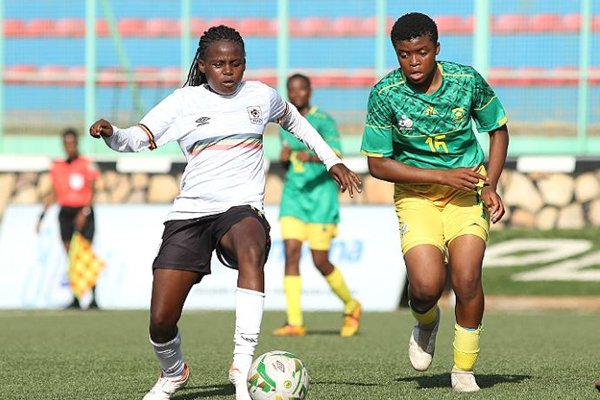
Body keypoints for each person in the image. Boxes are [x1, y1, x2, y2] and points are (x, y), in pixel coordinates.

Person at [89, 25, 361, 400]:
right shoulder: (184, 102)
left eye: (235, 63)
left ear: (244, 64)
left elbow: (298, 123)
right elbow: (137, 138)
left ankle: (241, 366)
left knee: (251, 245)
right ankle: (173, 373)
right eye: (218, 64)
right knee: (161, 321)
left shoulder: (261, 96)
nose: (228, 71)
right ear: (203, 66)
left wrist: (331, 160)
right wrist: (111, 133)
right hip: (191, 213)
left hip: (241, 208)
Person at [360, 13, 509, 392]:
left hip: (466, 195)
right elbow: (377, 164)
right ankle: (426, 323)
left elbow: (498, 130)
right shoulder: (385, 94)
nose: (413, 62)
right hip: (417, 199)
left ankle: (463, 369)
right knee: (426, 287)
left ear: (437, 50)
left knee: (466, 278)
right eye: (404, 54)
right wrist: (441, 175)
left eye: (422, 53)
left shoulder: (465, 80)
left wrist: (490, 184)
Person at [272, 73, 361, 338]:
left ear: (310, 91)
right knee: (291, 253)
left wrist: (306, 156)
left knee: (320, 260)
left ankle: (351, 305)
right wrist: (285, 159)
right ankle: (295, 322)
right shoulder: (284, 123)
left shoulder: (323, 121)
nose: (297, 94)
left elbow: (337, 155)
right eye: (292, 90)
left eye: (302, 89)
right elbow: (290, 161)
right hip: (294, 198)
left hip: (321, 199)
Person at [38, 128, 100, 310]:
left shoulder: (86, 164)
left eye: (72, 143)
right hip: (65, 213)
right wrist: (42, 215)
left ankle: (94, 298)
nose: (70, 147)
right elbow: (53, 193)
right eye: (67, 143)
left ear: (77, 143)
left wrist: (85, 211)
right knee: (70, 256)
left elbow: (94, 189)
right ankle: (76, 297)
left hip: (83, 211)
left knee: (85, 254)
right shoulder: (57, 166)